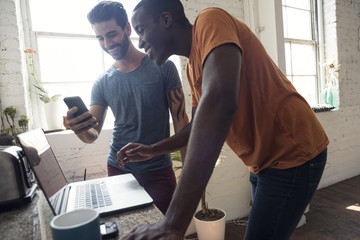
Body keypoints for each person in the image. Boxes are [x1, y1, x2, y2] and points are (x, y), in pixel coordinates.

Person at [117, 0, 329, 239]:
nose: (141, 42)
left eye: (142, 30)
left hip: (293, 152)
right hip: (263, 161)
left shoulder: (210, 20)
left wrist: (173, 223)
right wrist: (153, 149)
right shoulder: (193, 67)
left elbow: (219, 102)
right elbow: (198, 126)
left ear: (166, 20)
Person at [65, 1, 189, 215]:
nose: (107, 43)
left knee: (167, 232)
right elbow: (92, 134)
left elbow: (181, 122)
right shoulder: (102, 82)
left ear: (127, 29)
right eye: (100, 38)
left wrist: (190, 172)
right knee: (126, 232)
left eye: (112, 34)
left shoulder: (163, 66)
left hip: (159, 170)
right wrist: (79, 128)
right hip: (118, 170)